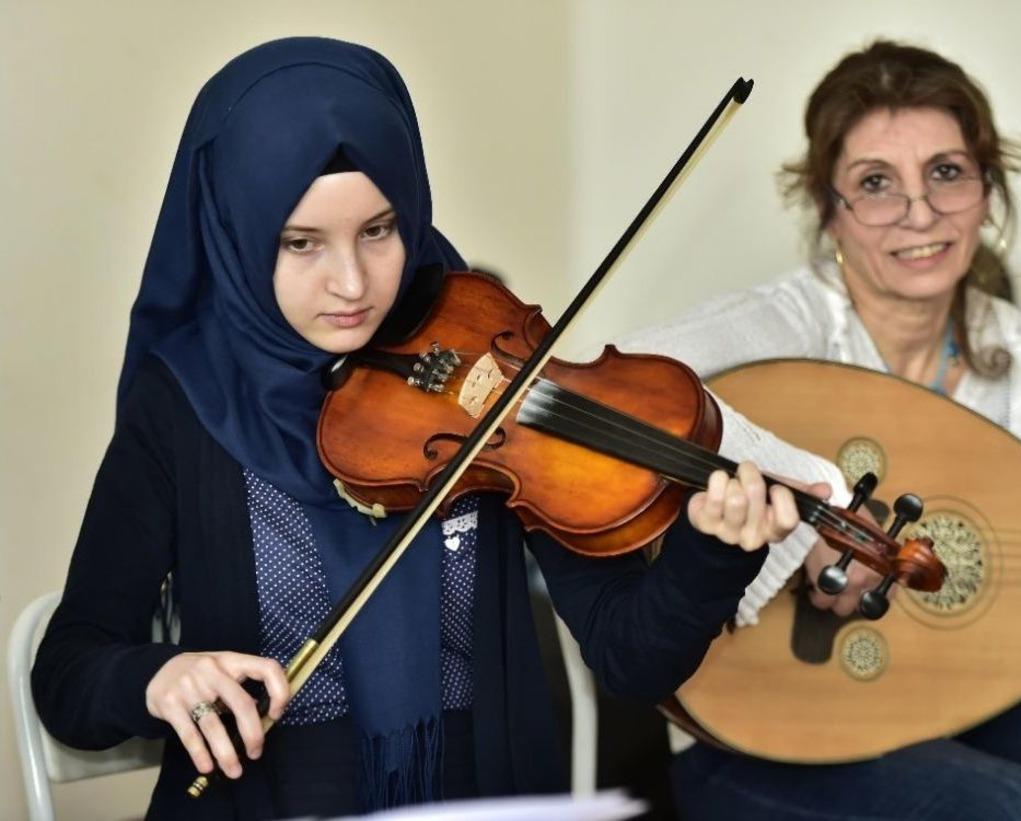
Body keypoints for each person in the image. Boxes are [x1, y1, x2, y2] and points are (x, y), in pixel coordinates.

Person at [28, 37, 824, 821]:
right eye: (301, 243)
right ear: (235, 233)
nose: (352, 283)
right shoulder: (184, 403)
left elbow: (629, 658)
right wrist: (158, 677)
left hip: (484, 799)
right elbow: (68, 671)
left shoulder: (481, 359)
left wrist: (712, 552)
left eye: (379, 230)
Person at [615, 40, 1021, 820]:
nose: (920, 213)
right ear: (830, 209)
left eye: (946, 172)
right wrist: (799, 530)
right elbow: (612, 395)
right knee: (1019, 811)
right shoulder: (781, 329)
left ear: (988, 190)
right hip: (761, 722)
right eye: (876, 184)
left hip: (951, 689)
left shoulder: (1020, 352)